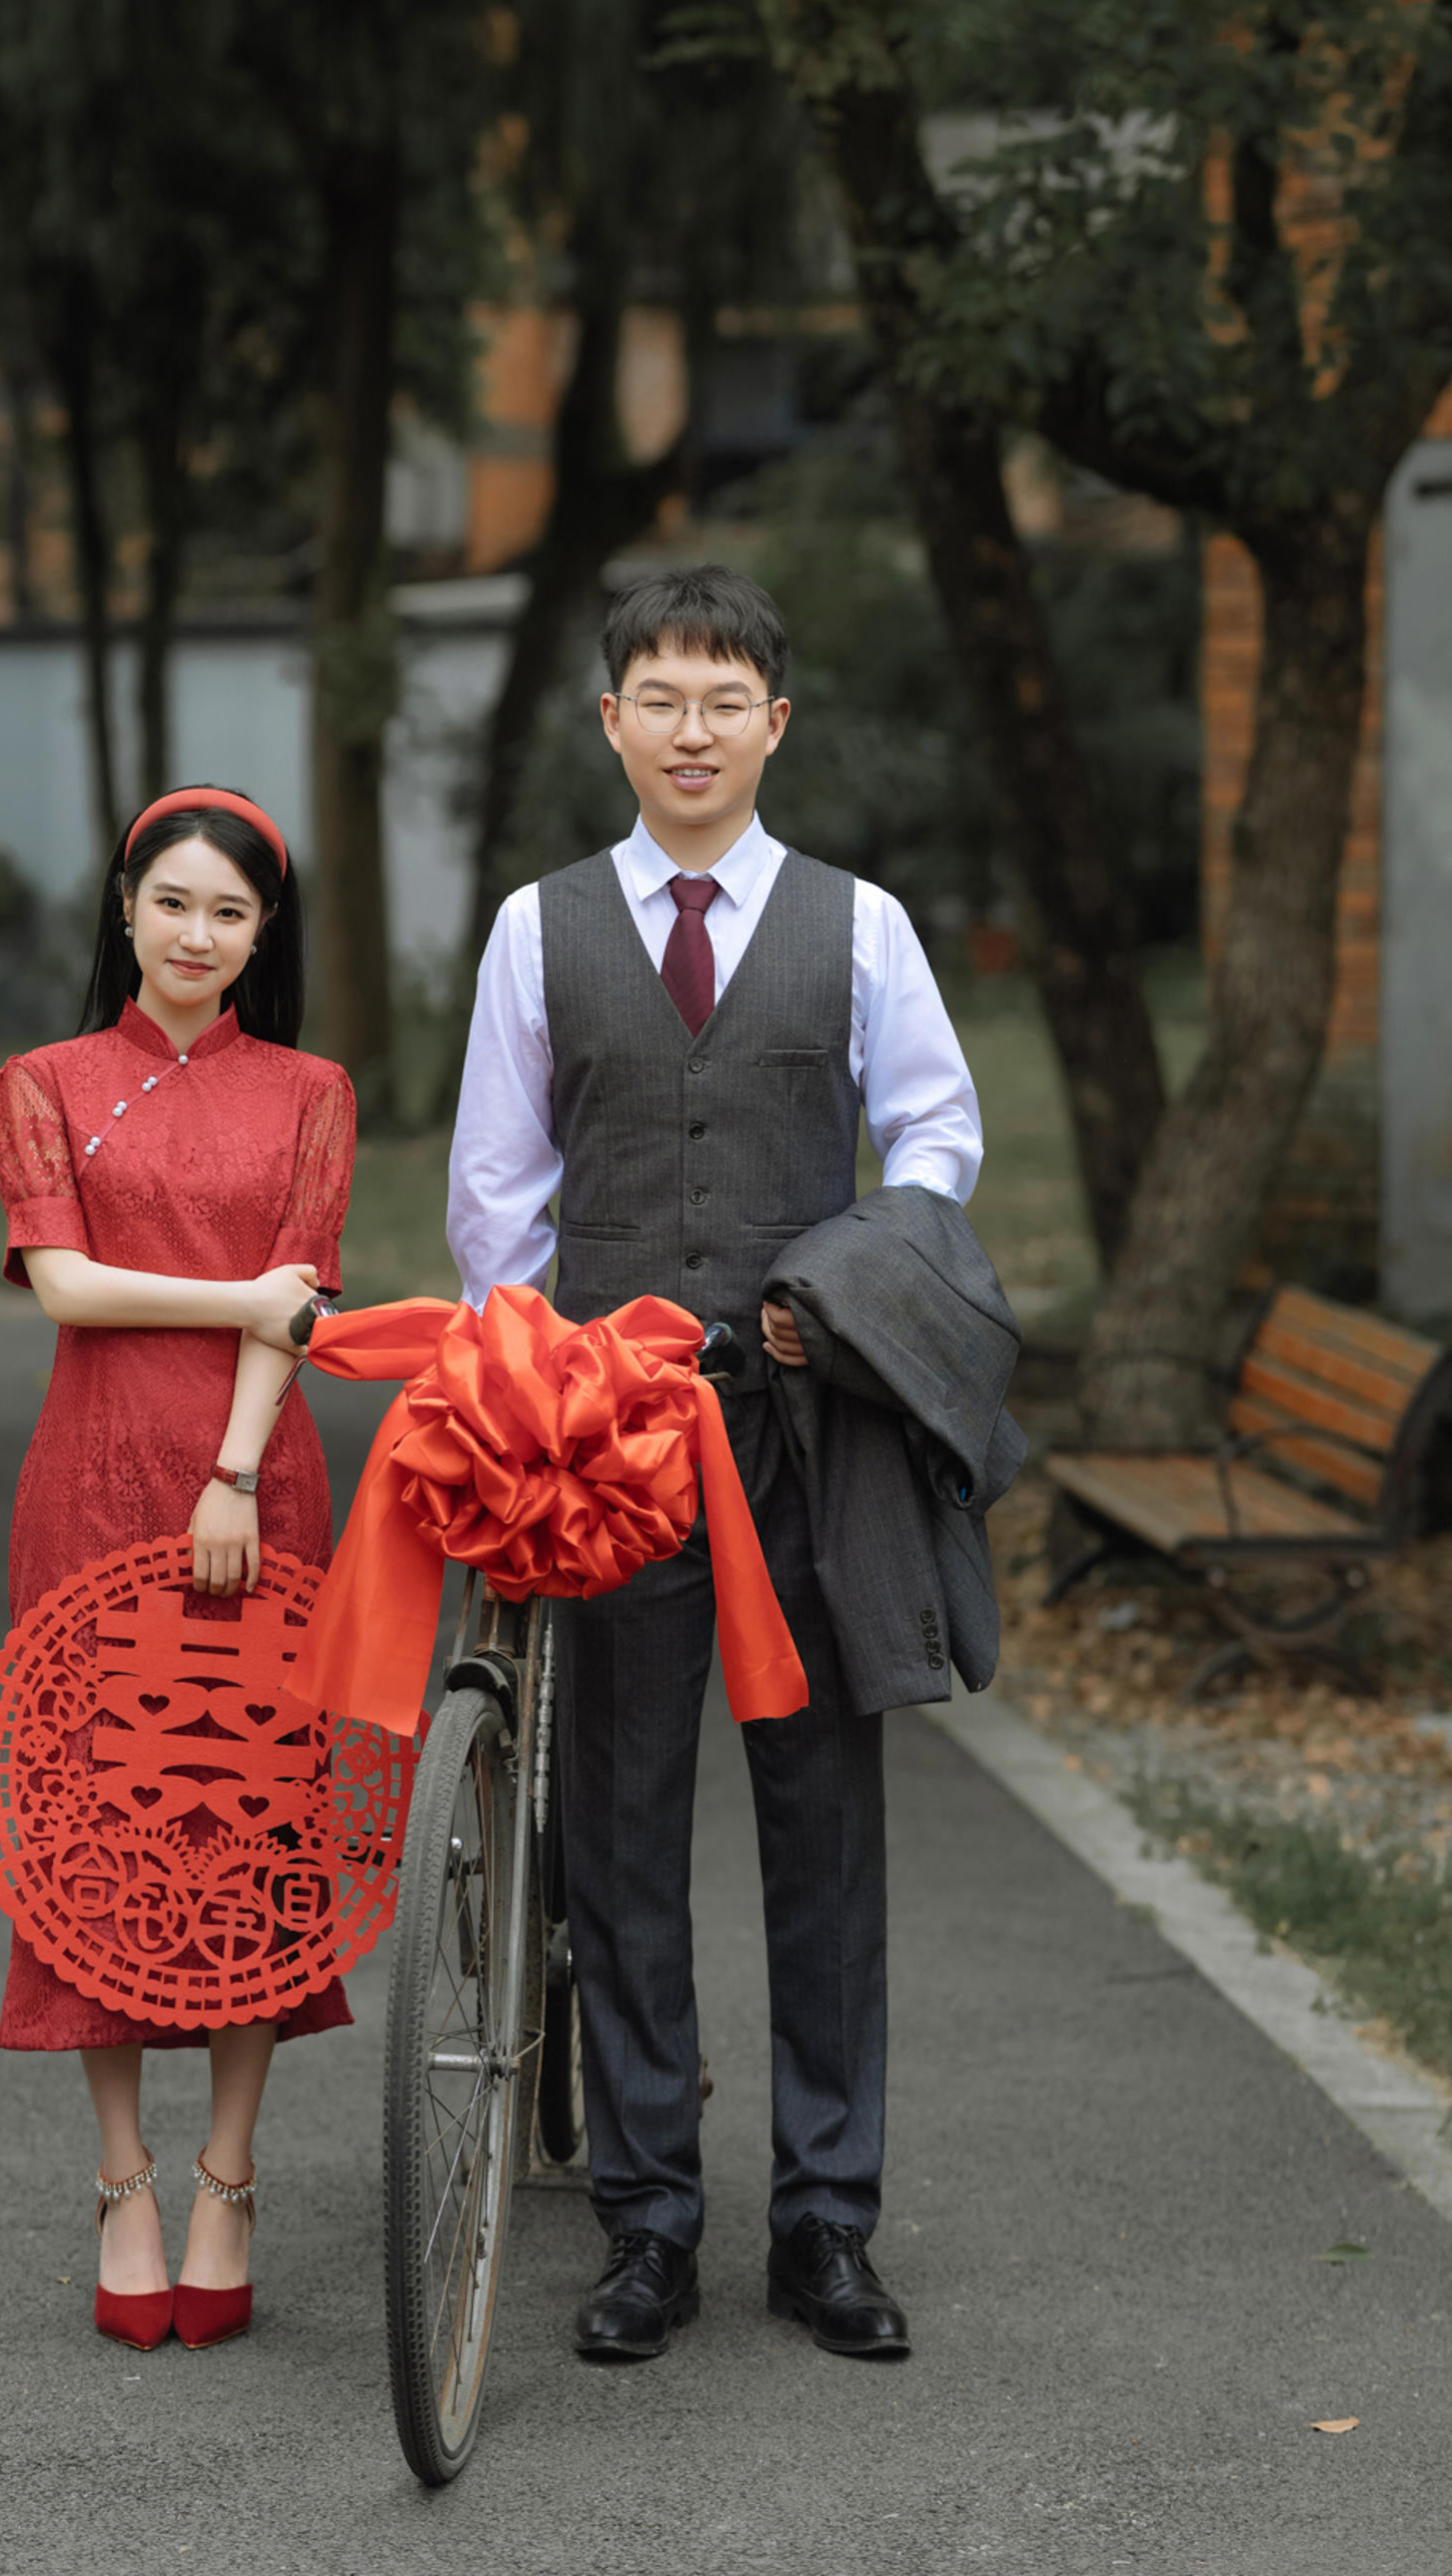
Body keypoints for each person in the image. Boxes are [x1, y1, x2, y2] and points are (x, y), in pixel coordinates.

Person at [446, 565, 989, 2368]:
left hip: (802, 1433)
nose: (693, 732)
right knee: (618, 1822)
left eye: (725, 701)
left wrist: (853, 1284)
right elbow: (496, 1195)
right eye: (661, 700)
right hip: (611, 1437)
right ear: (613, 722)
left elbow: (935, 1129)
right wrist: (543, 1379)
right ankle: (647, 2222)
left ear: (776, 723)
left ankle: (828, 2220)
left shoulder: (860, 924)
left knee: (822, 1819)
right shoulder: (537, 930)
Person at [0, 785, 355, 2354]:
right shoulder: (43, 1082)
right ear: (125, 907)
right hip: (88, 1486)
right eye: (174, 903)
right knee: (102, 1823)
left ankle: (230, 2176)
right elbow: (66, 1289)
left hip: (256, 1489)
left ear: (263, 935)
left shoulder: (312, 1091)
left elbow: (303, 1301)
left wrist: (234, 1469)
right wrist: (244, 1301)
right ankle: (123, 2178)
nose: (198, 934)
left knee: (246, 1818)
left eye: (231, 912)